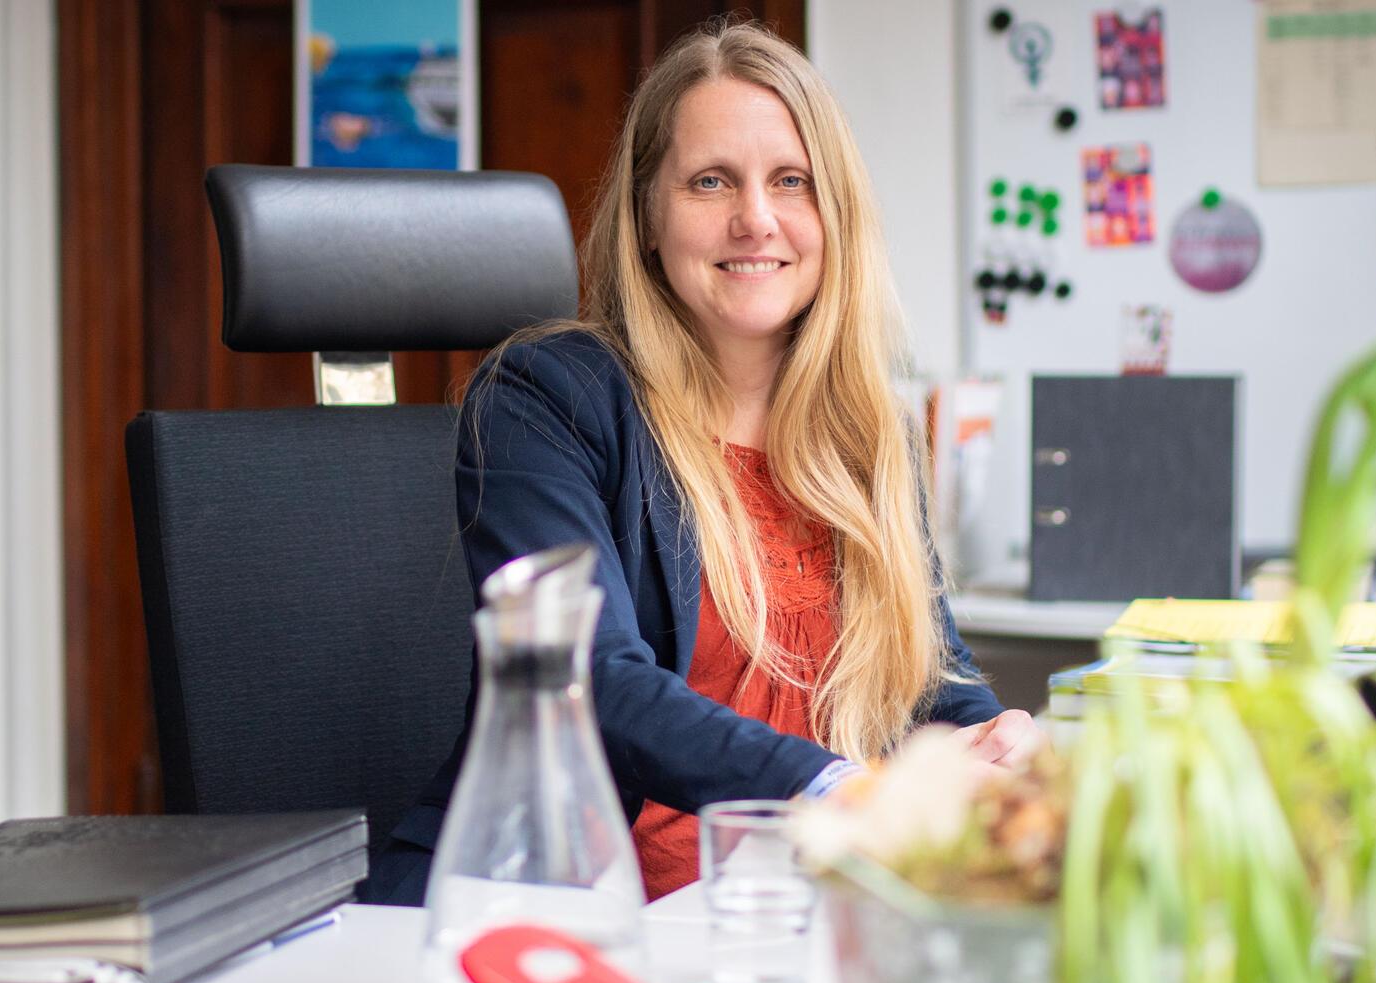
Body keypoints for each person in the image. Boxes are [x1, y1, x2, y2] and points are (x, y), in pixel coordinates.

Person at [367, 20, 1042, 905]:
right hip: (579, 911)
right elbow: (589, 677)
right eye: (710, 180)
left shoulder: (869, 430)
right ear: (649, 217)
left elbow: (929, 679)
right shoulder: (545, 399)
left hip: (790, 903)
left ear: (833, 215)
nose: (754, 218)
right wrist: (843, 794)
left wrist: (997, 741)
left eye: (790, 182)